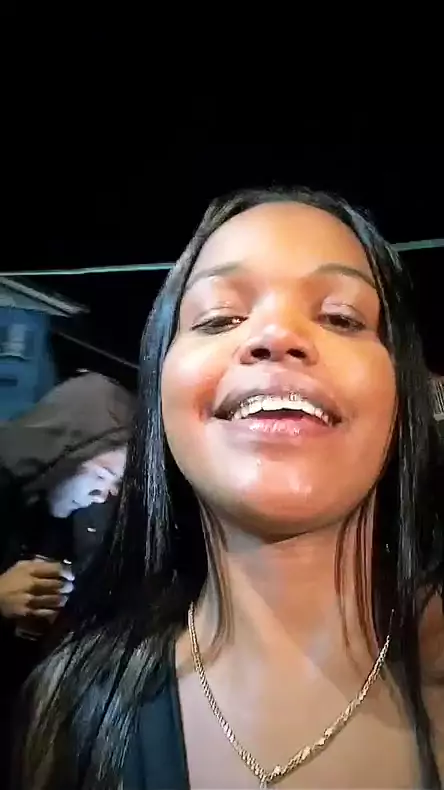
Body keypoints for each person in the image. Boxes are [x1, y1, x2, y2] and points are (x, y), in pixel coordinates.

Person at [17, 189, 444, 790]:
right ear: (160, 390)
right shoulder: (69, 712)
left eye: (341, 317)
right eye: (218, 317)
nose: (276, 335)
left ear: (404, 393)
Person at [0, 372, 134, 786]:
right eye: (101, 474)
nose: (104, 495)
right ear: (63, 453)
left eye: (116, 484)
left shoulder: (51, 518)